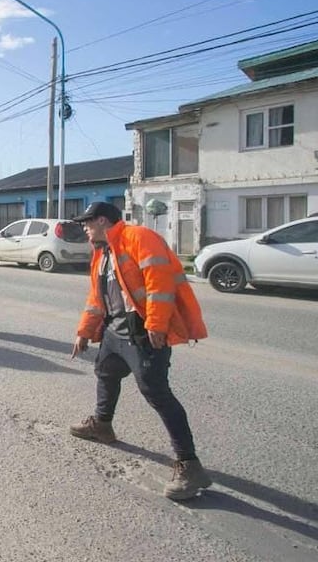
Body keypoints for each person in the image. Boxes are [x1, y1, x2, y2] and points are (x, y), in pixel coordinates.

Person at [68, 201, 211, 500]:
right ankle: (102, 425)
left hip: (143, 333)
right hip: (113, 332)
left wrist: (157, 325)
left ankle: (189, 464)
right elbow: (97, 298)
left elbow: (159, 283)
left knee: (156, 393)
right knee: (105, 372)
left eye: (88, 222)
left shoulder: (138, 237)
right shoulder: (102, 253)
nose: (84, 227)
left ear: (103, 221)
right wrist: (84, 332)